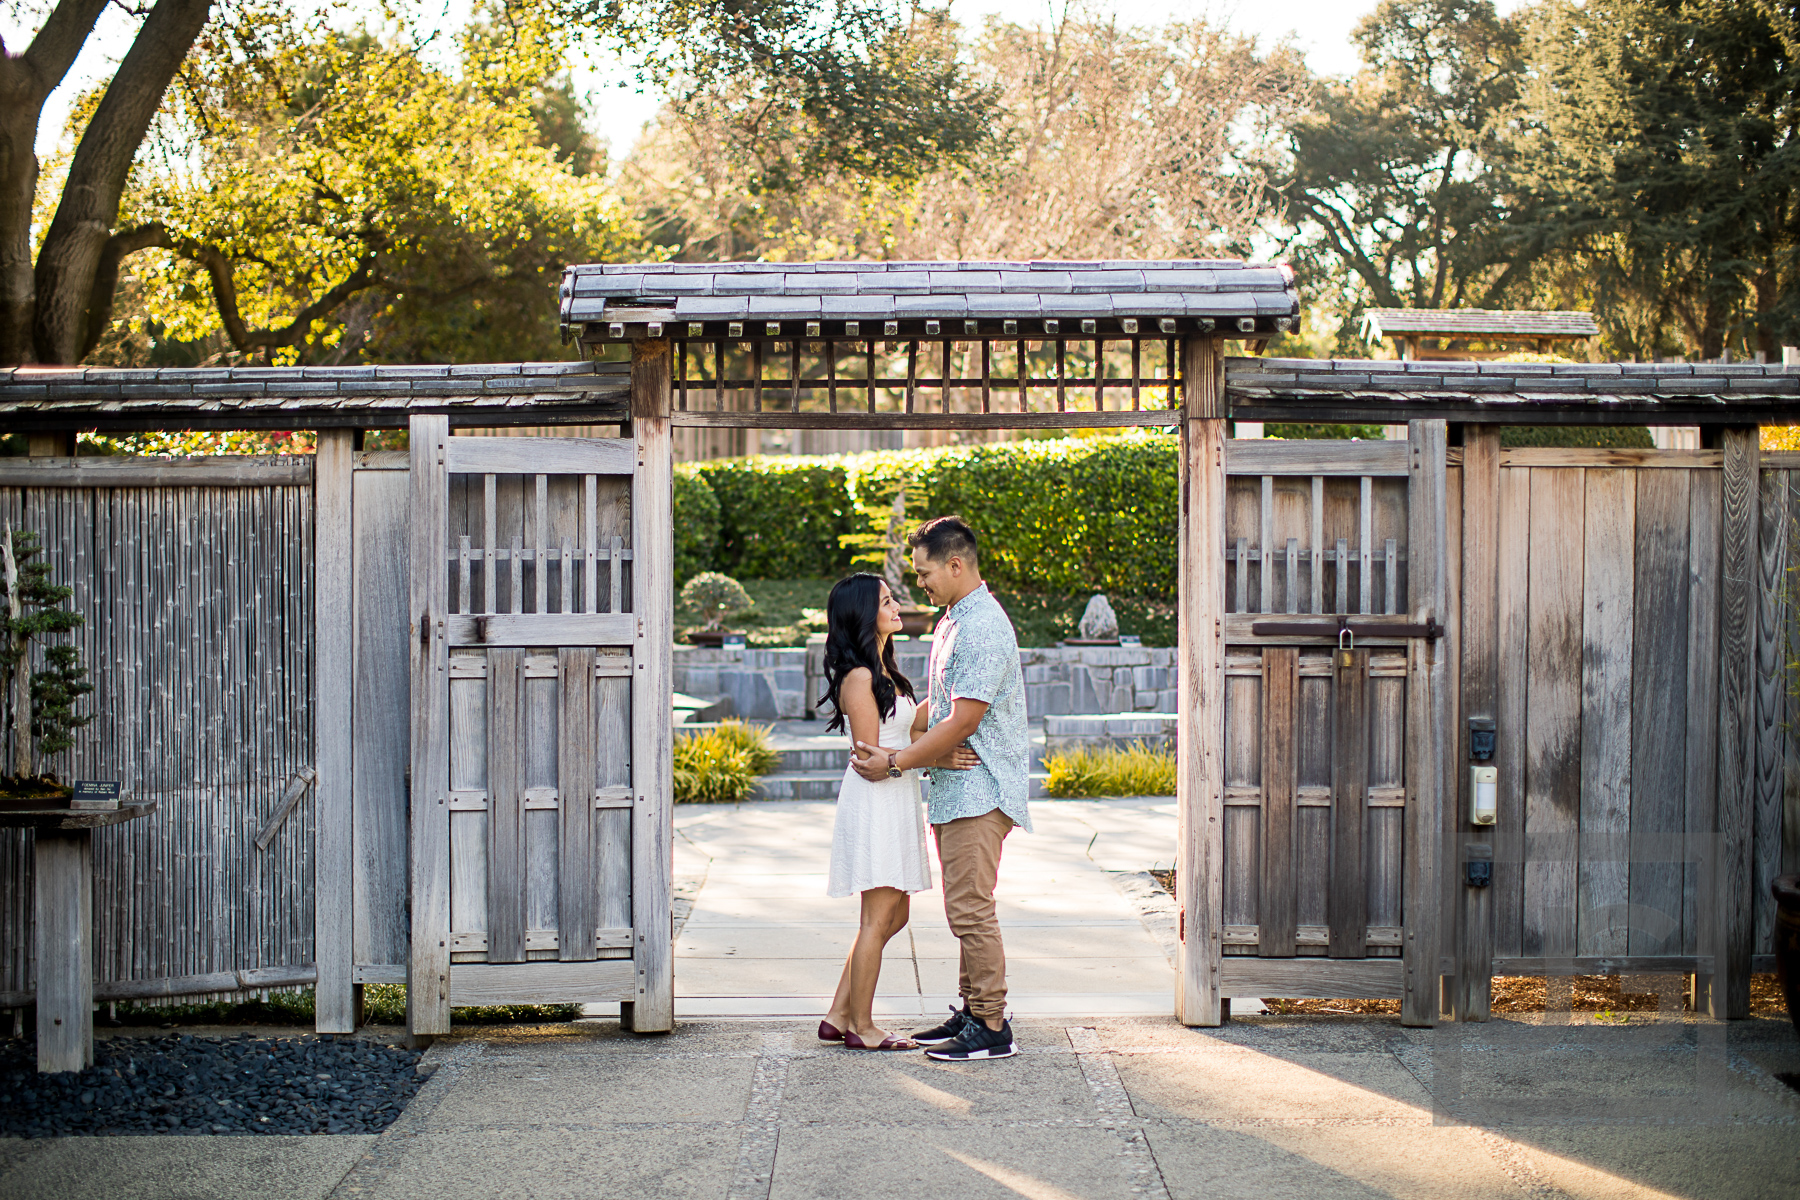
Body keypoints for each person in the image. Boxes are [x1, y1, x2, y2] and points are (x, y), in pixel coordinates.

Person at [851, 516, 1030, 1062]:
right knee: (964, 907)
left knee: (972, 910)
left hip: (980, 788)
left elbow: (964, 720)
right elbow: (943, 700)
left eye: (925, 572)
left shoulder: (981, 626)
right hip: (958, 788)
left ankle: (992, 1026)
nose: (919, 584)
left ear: (956, 565)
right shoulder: (955, 618)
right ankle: (974, 1010)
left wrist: (897, 762)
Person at [817, 572, 977, 1051]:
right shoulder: (861, 677)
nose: (897, 605)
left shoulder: (882, 670)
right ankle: (861, 1028)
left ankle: (837, 1013)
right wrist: (937, 755)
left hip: (896, 793)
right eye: (886, 601)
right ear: (866, 615)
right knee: (877, 918)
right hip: (876, 801)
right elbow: (871, 757)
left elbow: (905, 729)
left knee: (895, 915)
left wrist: (957, 689)